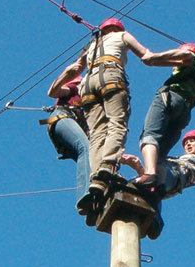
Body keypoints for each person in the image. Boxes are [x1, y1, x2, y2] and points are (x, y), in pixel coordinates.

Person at [69, 18, 172, 204]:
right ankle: (107, 167)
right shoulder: (122, 35)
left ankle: (96, 179)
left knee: (97, 134)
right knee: (117, 123)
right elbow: (147, 56)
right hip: (110, 75)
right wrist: (178, 59)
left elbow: (77, 67)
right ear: (117, 28)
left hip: (87, 84)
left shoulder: (92, 44)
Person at [131, 43, 195, 189]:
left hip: (170, 98)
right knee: (159, 155)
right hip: (184, 114)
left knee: (149, 136)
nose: (175, 67)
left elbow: (185, 56)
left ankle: (149, 173)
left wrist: (152, 57)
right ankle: (156, 185)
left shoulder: (191, 59)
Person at [120, 128, 195, 239]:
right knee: (148, 187)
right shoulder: (177, 159)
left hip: (177, 175)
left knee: (157, 174)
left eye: (192, 141)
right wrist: (137, 166)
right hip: (166, 177)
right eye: (186, 143)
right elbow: (150, 178)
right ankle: (154, 219)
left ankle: (156, 220)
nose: (188, 144)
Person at [43, 62, 91, 215]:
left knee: (92, 160)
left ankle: (93, 206)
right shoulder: (75, 88)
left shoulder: (90, 104)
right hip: (62, 118)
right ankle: (85, 195)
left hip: (67, 128)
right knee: (86, 149)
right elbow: (53, 92)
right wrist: (67, 73)